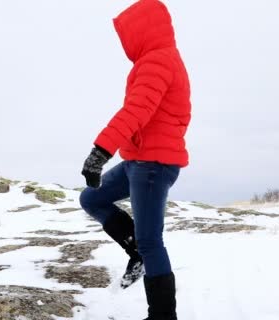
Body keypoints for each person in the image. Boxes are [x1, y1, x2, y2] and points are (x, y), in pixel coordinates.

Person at [79, 0, 191, 319]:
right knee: (92, 199)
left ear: (141, 30)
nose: (124, 42)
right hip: (137, 161)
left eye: (127, 34)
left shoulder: (159, 61)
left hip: (153, 165)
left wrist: (100, 152)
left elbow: (136, 112)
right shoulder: (155, 61)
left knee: (151, 239)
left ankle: (162, 315)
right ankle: (136, 253)